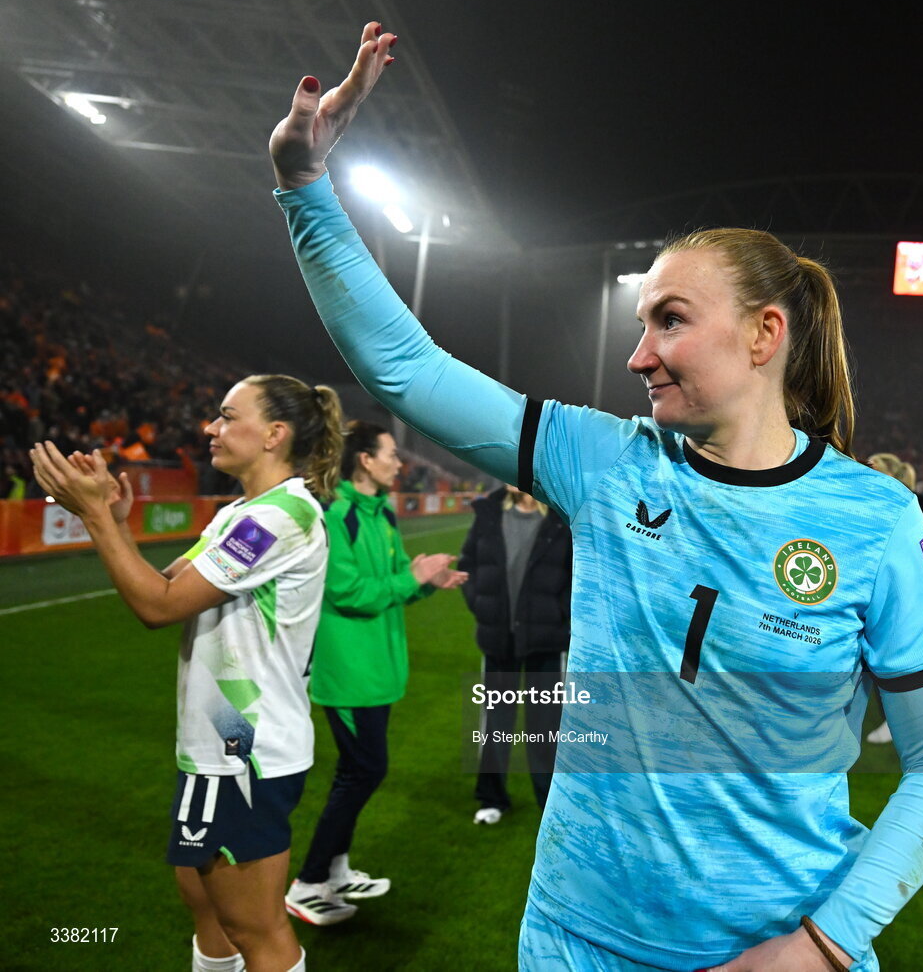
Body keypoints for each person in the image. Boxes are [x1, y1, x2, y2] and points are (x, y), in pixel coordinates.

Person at [267, 24, 923, 971]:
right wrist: (305, 187)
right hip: (574, 938)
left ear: (765, 334)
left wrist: (822, 945)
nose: (637, 353)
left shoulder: (876, 519)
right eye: (640, 321)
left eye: (670, 321)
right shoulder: (603, 462)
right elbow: (404, 366)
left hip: (781, 951)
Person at [31, 374, 344, 972]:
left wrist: (96, 516)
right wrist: (117, 523)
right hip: (223, 746)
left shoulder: (275, 519)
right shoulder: (243, 512)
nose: (210, 428)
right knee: (207, 908)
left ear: (275, 434)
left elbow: (158, 607)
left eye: (228, 416)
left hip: (243, 751)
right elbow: (169, 584)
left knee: (259, 931)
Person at [285, 420, 468, 924]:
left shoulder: (381, 512)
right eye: (390, 453)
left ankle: (337, 870)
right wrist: (411, 575)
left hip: (379, 668)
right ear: (364, 460)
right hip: (349, 673)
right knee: (364, 771)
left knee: (358, 771)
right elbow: (347, 592)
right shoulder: (336, 514)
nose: (399, 462)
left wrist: (427, 582)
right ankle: (308, 883)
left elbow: (388, 582)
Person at [459, 483, 572, 824]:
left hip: (546, 640)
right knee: (495, 724)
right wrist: (481, 606)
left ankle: (549, 805)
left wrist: (560, 619)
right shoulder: (489, 513)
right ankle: (492, 798)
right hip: (499, 638)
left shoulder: (560, 517)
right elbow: (468, 564)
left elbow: (575, 574)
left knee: (545, 727)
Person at [863, 452, 923, 746]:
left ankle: (898, 722)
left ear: (890, 473)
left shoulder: (907, 504)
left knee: (892, 662)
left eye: (871, 466)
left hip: (899, 594)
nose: (864, 470)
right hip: (875, 590)